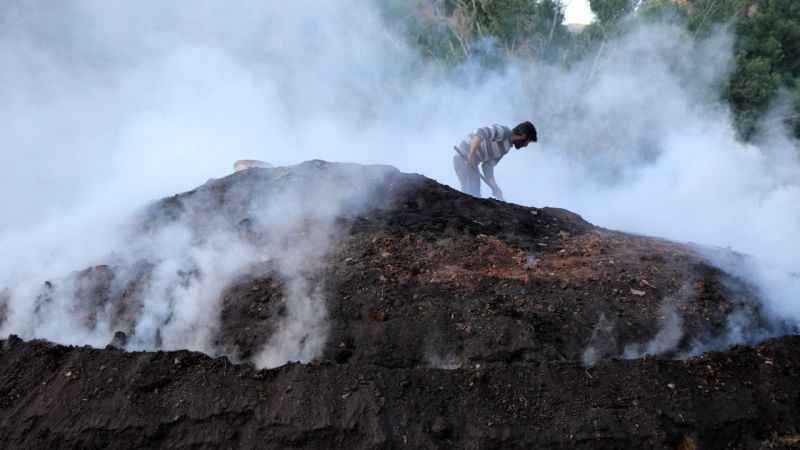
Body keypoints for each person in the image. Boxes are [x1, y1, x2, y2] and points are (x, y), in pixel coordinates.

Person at [453, 121, 537, 200]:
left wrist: (495, 187)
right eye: (528, 142)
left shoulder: (506, 148)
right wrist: (471, 155)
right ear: (524, 136)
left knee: (473, 193)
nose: (526, 145)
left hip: (471, 164)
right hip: (463, 156)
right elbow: (480, 134)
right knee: (473, 192)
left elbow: (487, 167)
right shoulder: (504, 132)